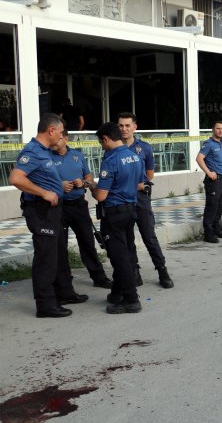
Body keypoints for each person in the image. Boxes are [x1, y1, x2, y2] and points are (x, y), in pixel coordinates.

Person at [10, 113, 87, 318]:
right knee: (46, 257)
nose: (62, 136)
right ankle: (45, 305)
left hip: (54, 210)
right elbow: (15, 178)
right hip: (41, 210)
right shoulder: (33, 151)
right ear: (51, 130)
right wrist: (44, 192)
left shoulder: (45, 151)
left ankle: (64, 292)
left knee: (58, 253)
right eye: (60, 132)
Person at [90, 122, 146, 314]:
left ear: (105, 138)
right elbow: (140, 184)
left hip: (113, 214)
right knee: (126, 252)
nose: (101, 146)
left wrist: (90, 186)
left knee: (119, 257)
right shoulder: (134, 157)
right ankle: (117, 294)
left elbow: (101, 196)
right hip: (131, 210)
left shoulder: (110, 161)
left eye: (101, 142)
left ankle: (131, 299)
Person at [117, 112, 173, 289]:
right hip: (122, 200)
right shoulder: (114, 148)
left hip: (140, 199)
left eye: (127, 125)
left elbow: (149, 174)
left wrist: (139, 185)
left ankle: (162, 270)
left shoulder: (145, 148)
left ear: (135, 127)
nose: (124, 129)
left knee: (149, 236)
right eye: (121, 125)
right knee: (127, 238)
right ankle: (134, 271)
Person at [52, 129, 112, 288]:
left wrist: (83, 183)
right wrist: (59, 185)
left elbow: (89, 177)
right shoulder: (46, 156)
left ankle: (99, 278)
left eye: (57, 139)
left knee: (87, 242)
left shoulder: (77, 155)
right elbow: (40, 181)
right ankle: (64, 283)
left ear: (65, 138)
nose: (54, 142)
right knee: (60, 246)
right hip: (58, 207)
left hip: (78, 205)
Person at [196, 122, 222, 243]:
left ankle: (217, 230)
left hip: (221, 179)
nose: (220, 131)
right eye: (218, 128)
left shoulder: (220, 144)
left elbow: (221, 162)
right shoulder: (209, 144)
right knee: (211, 207)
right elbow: (199, 158)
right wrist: (209, 172)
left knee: (219, 206)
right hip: (213, 181)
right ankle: (208, 234)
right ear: (213, 130)